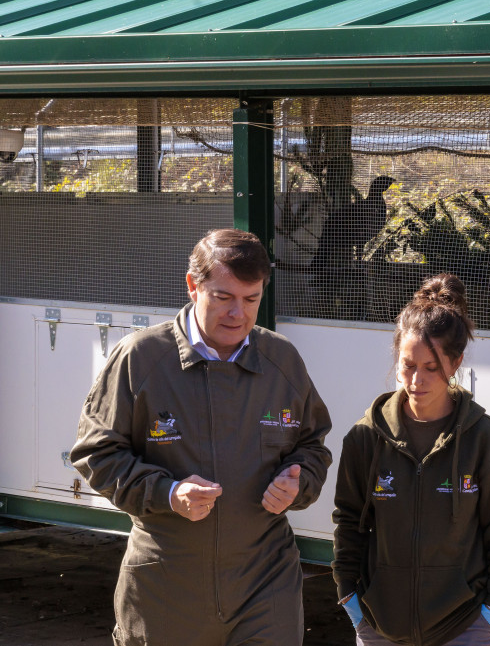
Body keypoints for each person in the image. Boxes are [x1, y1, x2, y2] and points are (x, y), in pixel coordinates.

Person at [70, 228, 333, 646]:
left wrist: (299, 483)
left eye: (251, 299)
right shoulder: (140, 358)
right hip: (165, 590)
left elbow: (313, 444)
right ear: (193, 286)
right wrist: (168, 493)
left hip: (265, 588)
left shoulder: (281, 359)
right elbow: (96, 453)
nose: (238, 315)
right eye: (223, 297)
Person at [332, 274, 490, 646]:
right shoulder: (366, 436)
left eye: (431, 367)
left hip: (466, 626)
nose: (416, 379)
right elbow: (348, 524)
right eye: (407, 365)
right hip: (378, 625)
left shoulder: (485, 439)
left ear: (455, 363)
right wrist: (351, 602)